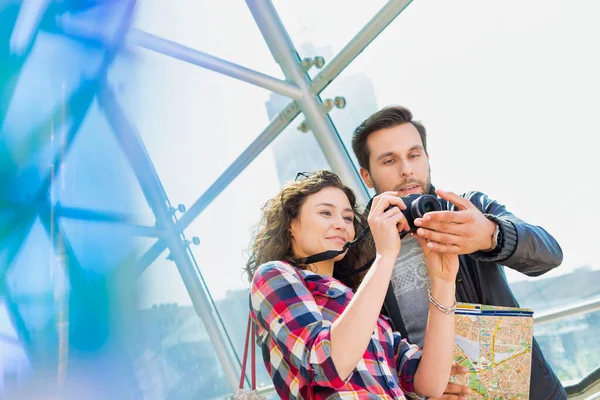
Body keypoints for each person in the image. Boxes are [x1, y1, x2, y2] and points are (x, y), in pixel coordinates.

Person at [351, 105, 566, 400]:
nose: (406, 169)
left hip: (518, 391)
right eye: (389, 160)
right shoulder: (358, 250)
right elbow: (360, 348)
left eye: (414, 155)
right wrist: (415, 383)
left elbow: (549, 254)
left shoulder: (469, 210)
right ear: (366, 175)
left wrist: (491, 235)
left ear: (427, 159)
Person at [246, 170, 460, 400]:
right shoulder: (274, 275)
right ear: (291, 224)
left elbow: (429, 384)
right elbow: (326, 364)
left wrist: (443, 281)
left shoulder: (360, 303)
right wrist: (385, 255)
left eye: (347, 218)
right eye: (326, 213)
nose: (340, 224)